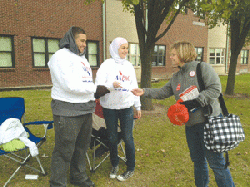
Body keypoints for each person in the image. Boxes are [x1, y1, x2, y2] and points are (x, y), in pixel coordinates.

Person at [132, 41, 235, 187]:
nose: (171, 58)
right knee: (198, 162)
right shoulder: (176, 77)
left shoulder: (202, 68)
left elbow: (215, 89)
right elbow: (163, 92)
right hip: (191, 126)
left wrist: (197, 101)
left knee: (217, 164)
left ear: (183, 54)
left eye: (173, 54)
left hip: (209, 123)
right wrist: (144, 91)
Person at [48, 26, 109, 187]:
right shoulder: (60, 57)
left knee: (81, 148)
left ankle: (78, 177)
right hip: (67, 111)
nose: (84, 44)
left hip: (85, 109)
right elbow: (69, 85)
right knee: (64, 149)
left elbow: (85, 83)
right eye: (81, 41)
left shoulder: (82, 59)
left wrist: (94, 93)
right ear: (71, 39)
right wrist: (95, 89)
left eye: (85, 41)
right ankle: (57, 183)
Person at [95, 37, 141, 181]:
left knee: (128, 138)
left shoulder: (128, 65)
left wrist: (137, 105)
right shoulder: (106, 65)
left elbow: (134, 86)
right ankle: (114, 164)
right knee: (112, 137)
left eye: (127, 48)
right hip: (110, 107)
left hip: (126, 106)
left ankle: (130, 167)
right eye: (123, 48)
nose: (126, 51)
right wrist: (111, 84)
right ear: (115, 48)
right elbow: (98, 84)